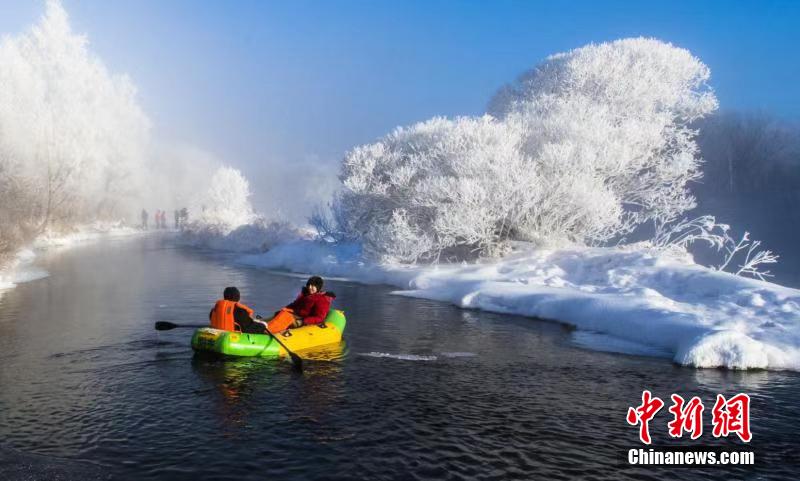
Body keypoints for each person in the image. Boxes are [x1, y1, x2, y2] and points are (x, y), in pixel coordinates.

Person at [267, 276, 335, 333]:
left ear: (318, 287)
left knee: (286, 316)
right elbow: (295, 304)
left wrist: (303, 321)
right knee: (281, 313)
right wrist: (285, 308)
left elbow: (319, 317)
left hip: (305, 320)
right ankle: (265, 325)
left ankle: (268, 330)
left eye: (313, 286)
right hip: (298, 315)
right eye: (309, 285)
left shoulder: (322, 299)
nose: (310, 287)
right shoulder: (306, 295)